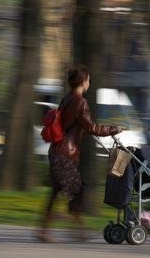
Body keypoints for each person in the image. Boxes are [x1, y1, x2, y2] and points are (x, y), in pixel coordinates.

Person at [38, 65, 122, 243]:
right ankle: (71, 225)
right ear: (84, 82)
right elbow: (92, 127)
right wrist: (114, 129)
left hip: (56, 151)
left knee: (58, 191)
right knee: (77, 190)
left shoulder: (67, 99)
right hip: (65, 155)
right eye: (89, 80)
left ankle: (48, 231)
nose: (89, 82)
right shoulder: (80, 102)